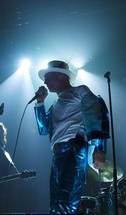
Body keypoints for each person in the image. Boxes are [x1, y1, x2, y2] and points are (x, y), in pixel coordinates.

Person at [33, 60, 110, 214]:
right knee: (55, 203)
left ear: (62, 77)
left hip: (74, 151)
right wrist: (40, 102)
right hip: (57, 156)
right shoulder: (55, 103)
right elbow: (43, 129)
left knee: (65, 203)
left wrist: (100, 148)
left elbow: (97, 116)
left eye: (49, 77)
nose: (45, 82)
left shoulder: (80, 91)